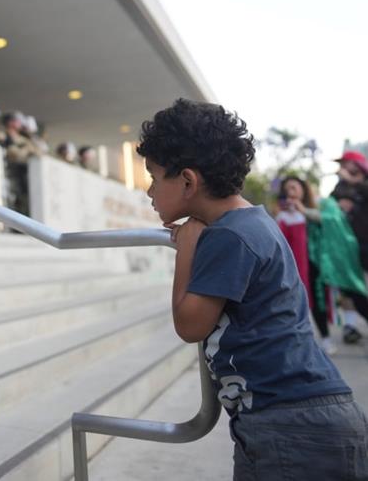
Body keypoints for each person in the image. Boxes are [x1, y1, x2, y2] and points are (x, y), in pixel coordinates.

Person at [137, 98, 367, 480]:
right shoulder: (249, 223)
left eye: (154, 177)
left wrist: (187, 249)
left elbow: (190, 325)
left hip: (290, 427)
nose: (149, 191)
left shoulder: (230, 236)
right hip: (296, 421)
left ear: (188, 181)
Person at [275, 176, 335, 354]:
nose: (290, 191)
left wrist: (303, 210)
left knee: (318, 301)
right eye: (287, 188)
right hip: (296, 265)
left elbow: (327, 223)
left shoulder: (316, 207)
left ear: (303, 189)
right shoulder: (284, 216)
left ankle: (325, 338)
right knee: (297, 301)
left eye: (294, 187)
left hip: (316, 263)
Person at [334, 150, 368, 344]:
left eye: (346, 162)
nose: (343, 167)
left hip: (365, 243)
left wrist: (353, 181)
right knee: (349, 287)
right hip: (347, 244)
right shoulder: (340, 186)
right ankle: (350, 327)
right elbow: (330, 204)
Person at [3, 111, 40, 217]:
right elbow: (15, 154)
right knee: (14, 202)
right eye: (17, 121)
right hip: (12, 174)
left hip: (24, 176)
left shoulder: (23, 138)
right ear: (10, 122)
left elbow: (37, 152)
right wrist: (27, 149)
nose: (20, 124)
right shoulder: (6, 136)